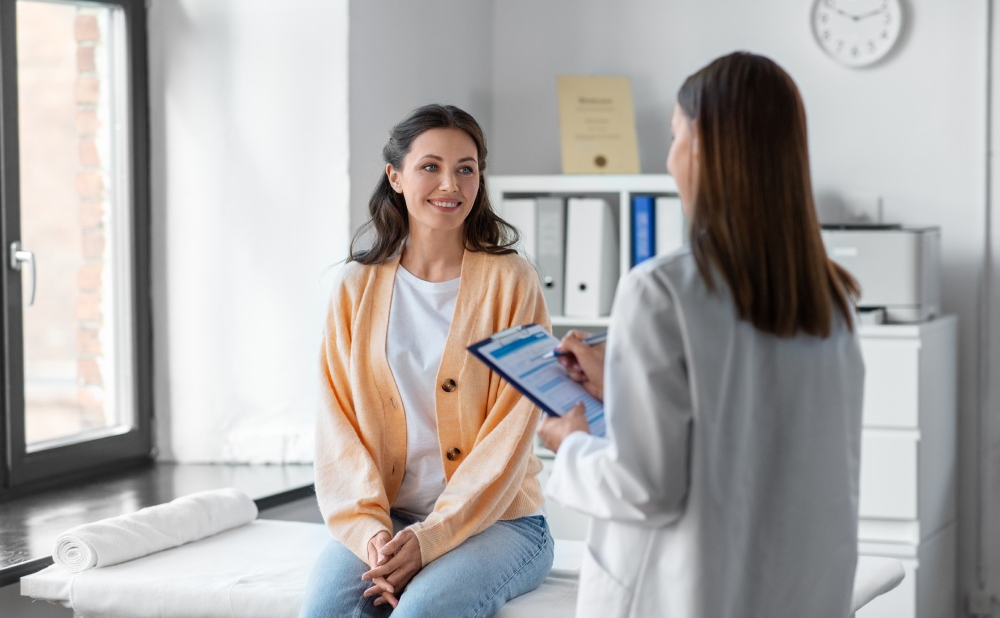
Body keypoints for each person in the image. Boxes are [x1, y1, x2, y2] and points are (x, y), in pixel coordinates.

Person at [536, 52, 865, 618]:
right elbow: (751, 428)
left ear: (704, 143)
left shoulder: (660, 290)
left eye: (673, 136)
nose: (669, 160)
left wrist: (570, 445)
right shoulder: (830, 298)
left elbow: (645, 486)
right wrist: (621, 394)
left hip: (689, 595)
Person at [299, 104, 554, 618]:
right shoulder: (355, 286)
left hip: (501, 522)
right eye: (430, 166)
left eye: (466, 168)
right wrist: (373, 534)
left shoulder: (513, 281)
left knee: (422, 612)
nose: (451, 184)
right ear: (395, 176)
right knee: (327, 611)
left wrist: (431, 539)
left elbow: (514, 427)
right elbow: (337, 426)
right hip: (385, 519)